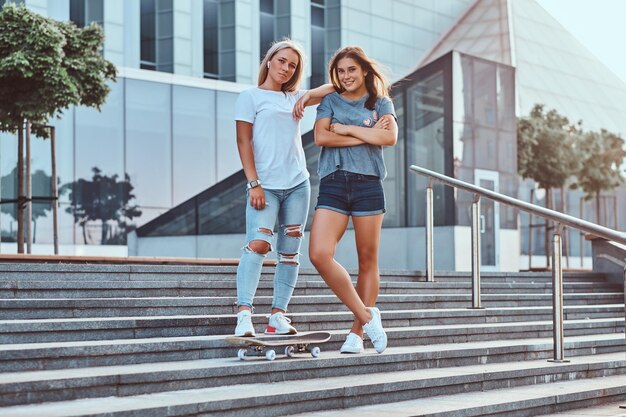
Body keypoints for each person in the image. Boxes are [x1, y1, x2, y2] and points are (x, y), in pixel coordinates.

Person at [233, 39, 334, 337]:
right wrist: (253, 183)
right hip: (264, 185)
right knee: (258, 246)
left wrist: (303, 98)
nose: (286, 68)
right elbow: (243, 141)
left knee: (290, 253)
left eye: (292, 65)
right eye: (282, 61)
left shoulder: (294, 97)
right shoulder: (249, 97)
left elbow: (335, 87)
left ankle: (278, 315)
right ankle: (244, 314)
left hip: (297, 185)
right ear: (269, 60)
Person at [303, 46, 398, 354]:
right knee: (319, 253)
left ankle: (356, 334)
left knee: (367, 260)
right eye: (340, 71)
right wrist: (365, 134)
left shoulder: (380, 102)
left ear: (365, 71)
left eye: (351, 70)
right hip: (333, 181)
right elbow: (322, 138)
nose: (345, 76)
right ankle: (368, 316)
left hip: (368, 184)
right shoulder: (330, 100)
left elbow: (389, 138)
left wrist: (344, 128)